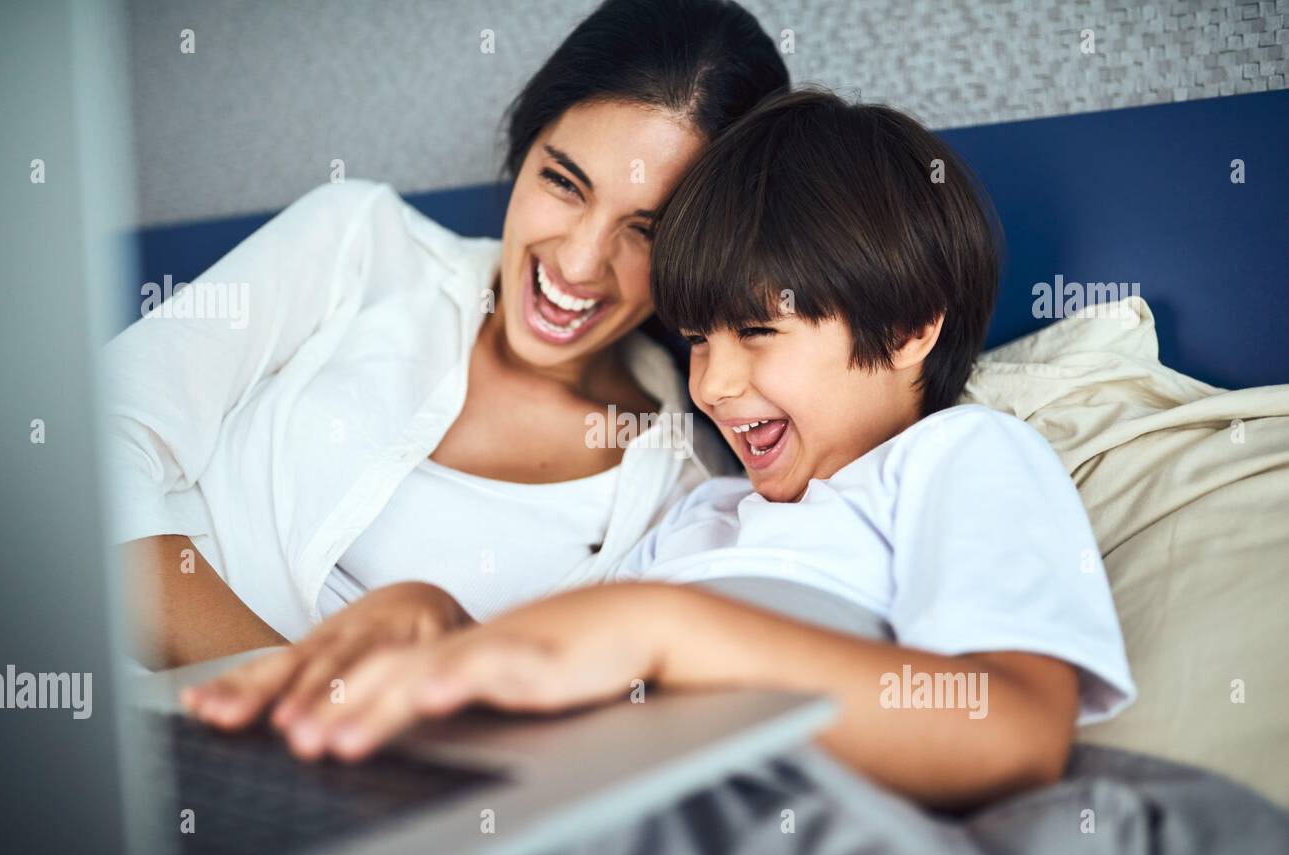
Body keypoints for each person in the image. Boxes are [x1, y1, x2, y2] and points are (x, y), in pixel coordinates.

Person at [186, 88, 1136, 809]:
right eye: (696, 339)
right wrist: (431, 618)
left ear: (913, 327)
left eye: (759, 332)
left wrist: (666, 632)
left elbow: (1011, 726)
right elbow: (570, 693)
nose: (713, 384)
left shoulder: (964, 456)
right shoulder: (701, 513)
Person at [104, 0, 788, 668]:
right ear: (525, 150)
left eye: (647, 230)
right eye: (564, 182)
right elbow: (97, 438)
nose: (580, 262)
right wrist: (292, 709)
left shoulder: (684, 483)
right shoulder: (359, 243)